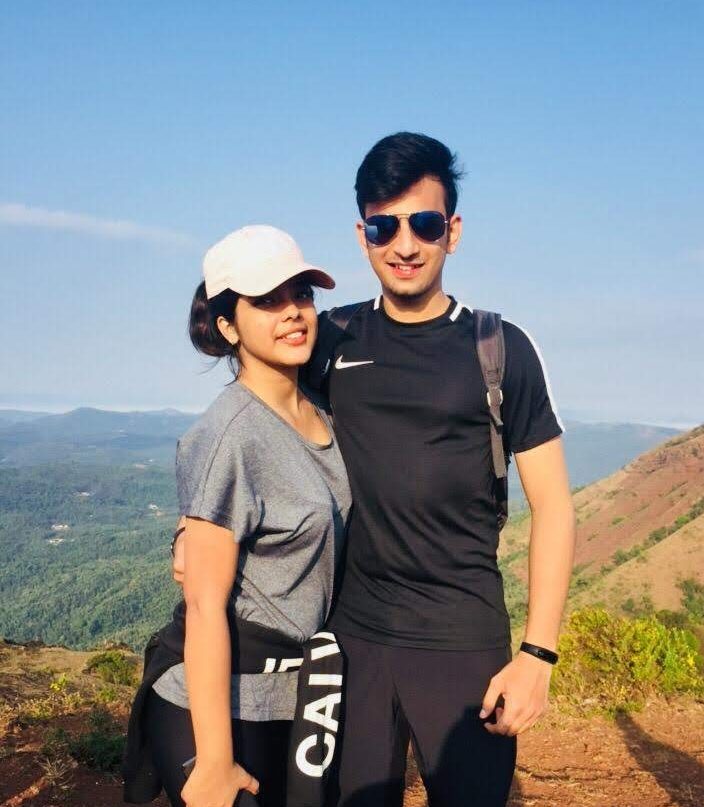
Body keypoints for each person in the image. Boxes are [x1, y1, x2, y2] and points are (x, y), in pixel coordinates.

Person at [174, 132, 576, 807]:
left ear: (453, 230)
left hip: (463, 641)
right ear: (362, 235)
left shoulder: (500, 349)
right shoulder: (329, 338)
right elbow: (243, 423)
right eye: (385, 225)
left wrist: (536, 657)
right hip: (348, 644)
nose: (405, 244)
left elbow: (555, 507)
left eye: (423, 223)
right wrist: (191, 531)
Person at [124, 225, 351, 807]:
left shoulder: (325, 413)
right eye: (268, 301)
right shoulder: (229, 435)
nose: (294, 313)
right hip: (224, 701)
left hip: (300, 697)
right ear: (228, 326)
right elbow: (203, 606)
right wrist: (216, 761)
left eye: (301, 294)